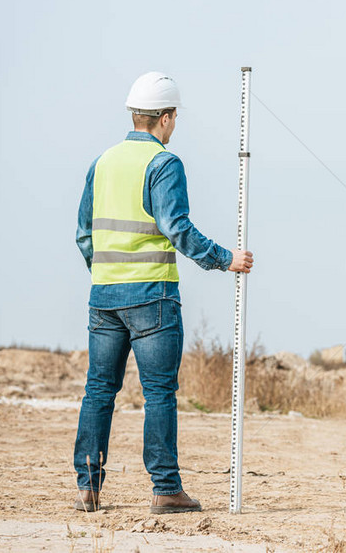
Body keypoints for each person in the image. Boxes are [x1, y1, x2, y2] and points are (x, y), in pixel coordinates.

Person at [73, 72, 254, 513]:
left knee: (99, 390)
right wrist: (224, 258)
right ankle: (165, 489)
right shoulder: (164, 163)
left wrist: (105, 274)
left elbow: (83, 234)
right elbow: (177, 228)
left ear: (135, 114)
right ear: (167, 118)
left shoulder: (103, 162)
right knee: (158, 393)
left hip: (104, 297)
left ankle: (88, 488)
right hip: (152, 295)